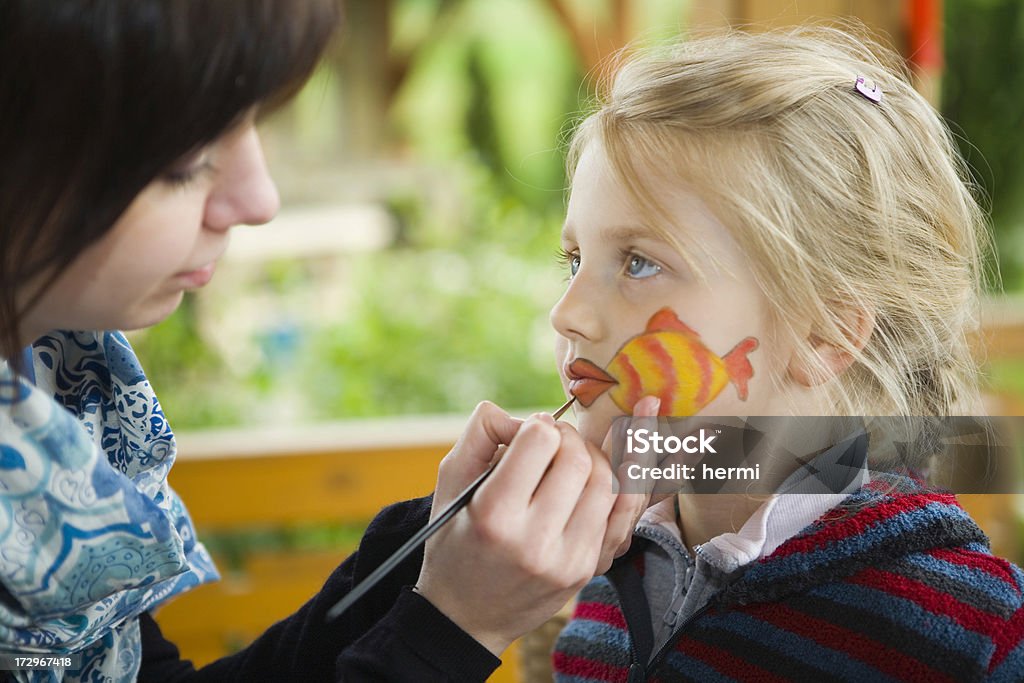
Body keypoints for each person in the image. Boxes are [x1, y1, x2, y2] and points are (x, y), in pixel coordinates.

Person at [0, 2, 657, 681]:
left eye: (640, 262)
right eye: (188, 157)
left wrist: (426, 553)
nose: (259, 198)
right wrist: (454, 625)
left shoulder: (63, 377)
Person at [548, 25, 1024, 681]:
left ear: (822, 333)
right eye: (574, 258)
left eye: (638, 261)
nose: (566, 311)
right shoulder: (600, 592)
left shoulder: (968, 635)